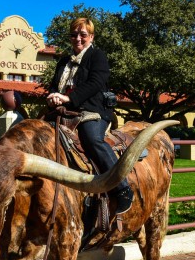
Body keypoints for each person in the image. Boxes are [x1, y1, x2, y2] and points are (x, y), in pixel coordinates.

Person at [46, 17, 133, 215]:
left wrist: (68, 99)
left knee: (92, 139)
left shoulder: (97, 56)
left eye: (83, 34)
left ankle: (122, 188)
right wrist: (51, 97)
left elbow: (95, 83)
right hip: (63, 111)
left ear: (91, 37)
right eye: (74, 34)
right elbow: (53, 85)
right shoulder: (63, 61)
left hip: (93, 111)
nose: (78, 38)